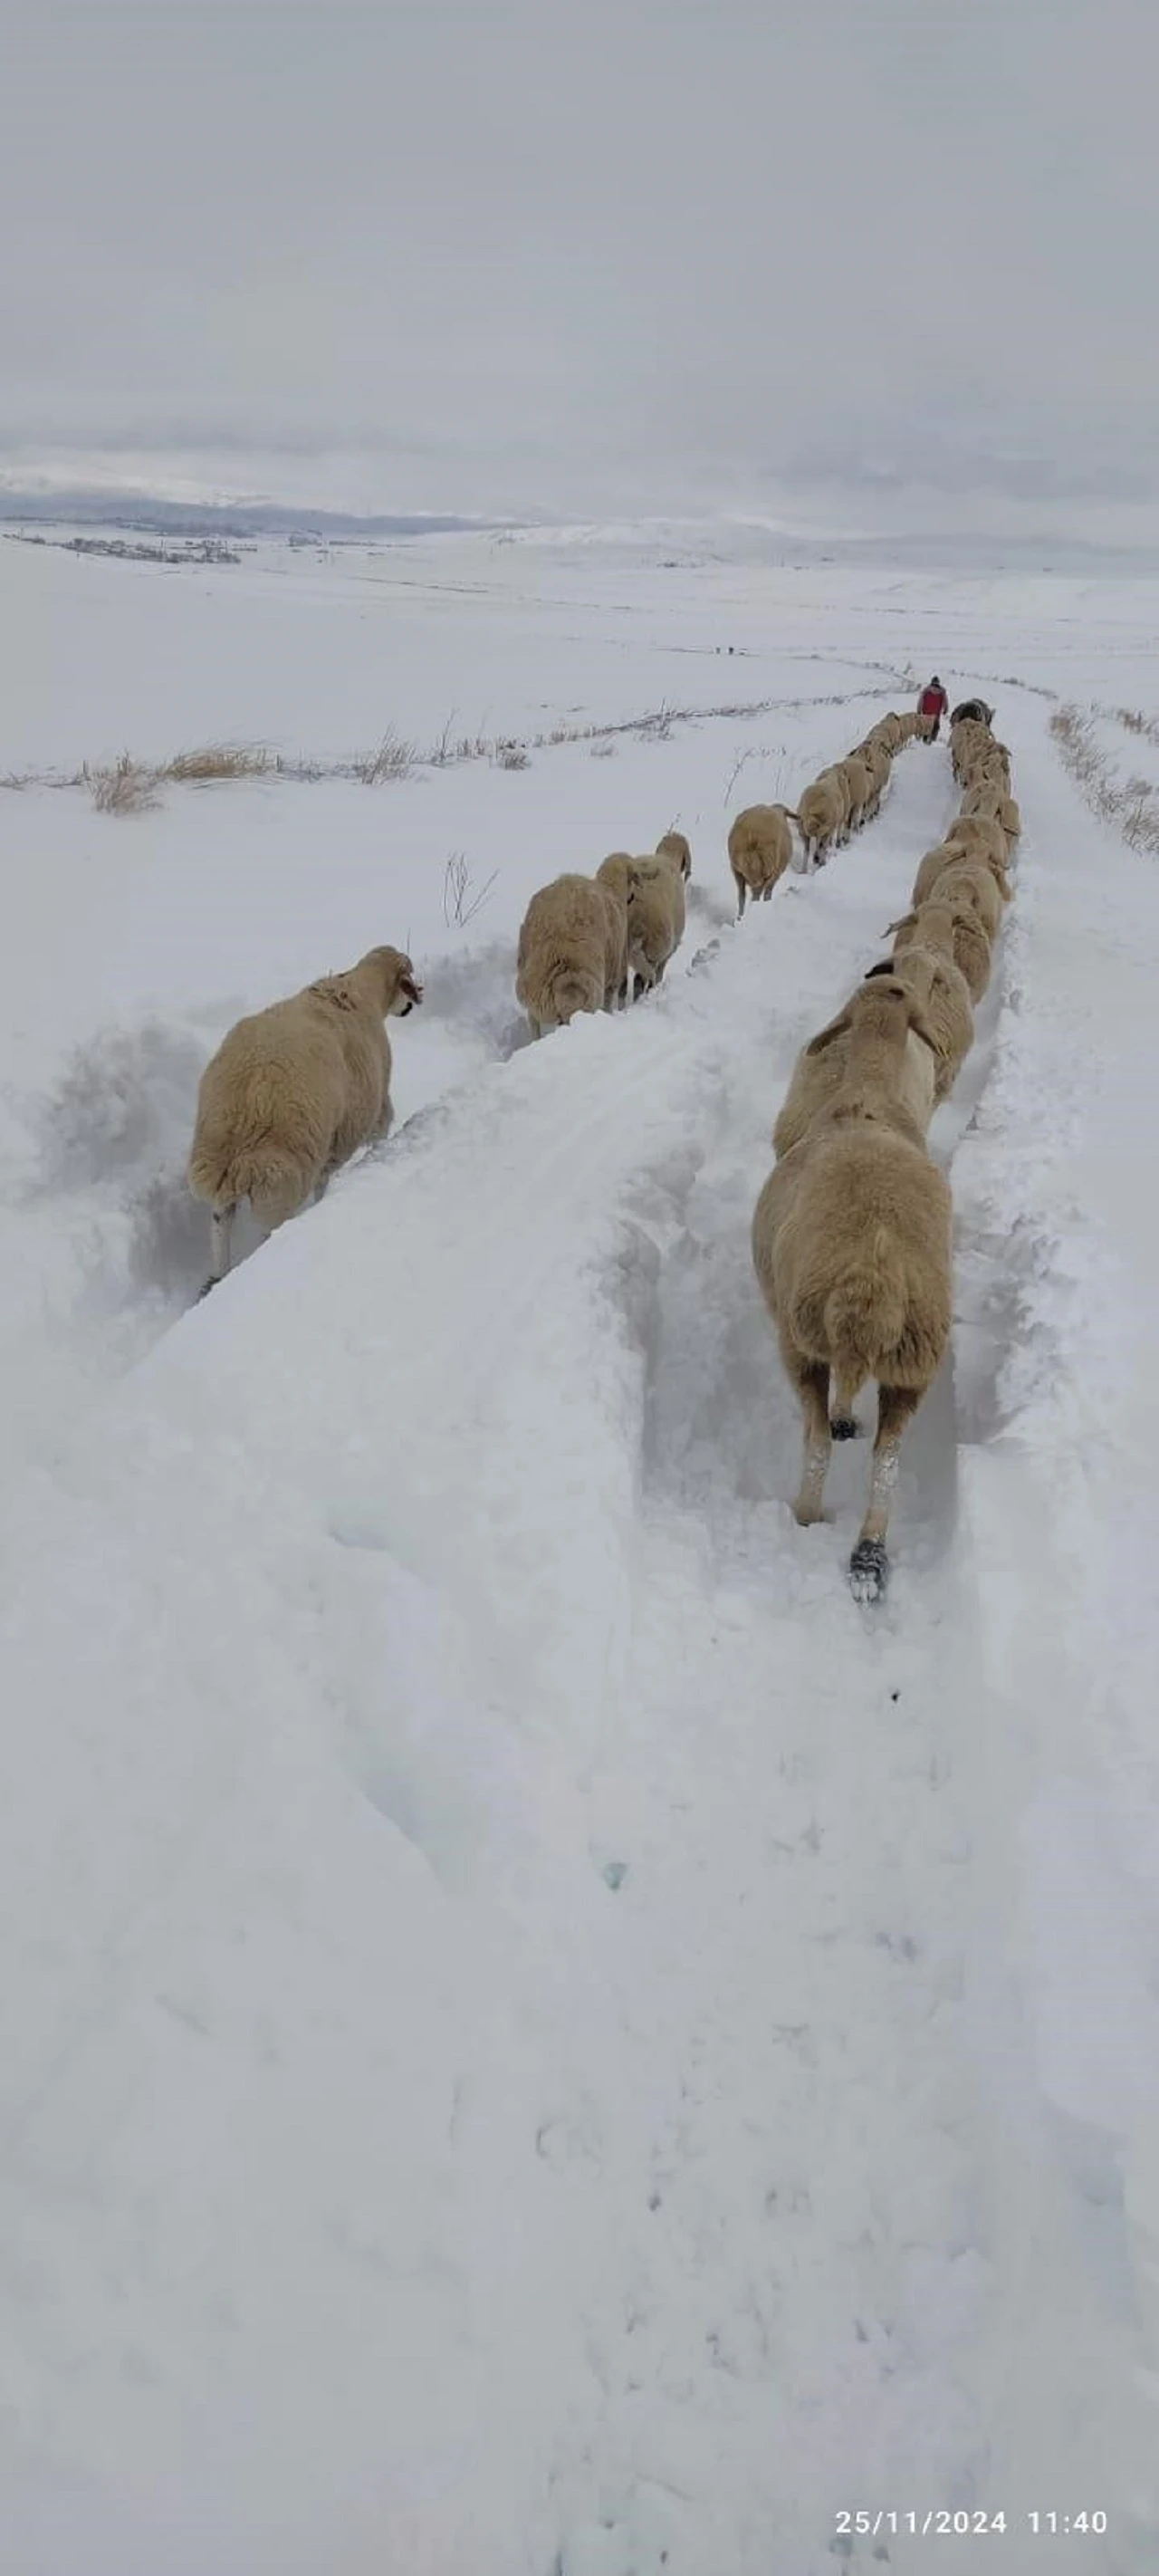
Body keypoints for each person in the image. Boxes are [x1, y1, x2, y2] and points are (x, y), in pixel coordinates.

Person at [917, 676, 949, 740]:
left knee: (925, 729)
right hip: (935, 716)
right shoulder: (942, 693)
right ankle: (932, 742)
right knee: (935, 728)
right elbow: (945, 702)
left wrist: (919, 710)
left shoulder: (925, 691)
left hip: (925, 715)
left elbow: (920, 702)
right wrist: (945, 709)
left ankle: (924, 742)